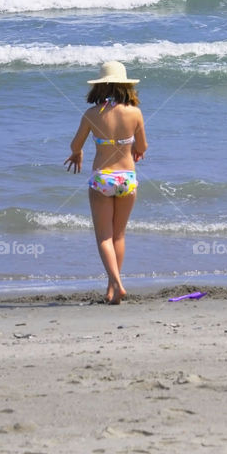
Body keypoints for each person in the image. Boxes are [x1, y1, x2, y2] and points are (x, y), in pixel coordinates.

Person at [64, 61, 148, 304]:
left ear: (100, 87)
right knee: (119, 236)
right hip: (127, 179)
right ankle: (112, 290)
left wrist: (78, 153)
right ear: (126, 86)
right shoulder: (135, 113)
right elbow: (142, 147)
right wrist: (133, 149)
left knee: (104, 238)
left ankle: (117, 286)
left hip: (102, 178)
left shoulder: (92, 115)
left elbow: (74, 145)